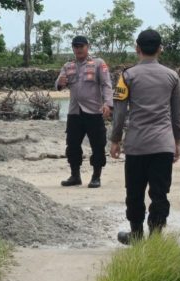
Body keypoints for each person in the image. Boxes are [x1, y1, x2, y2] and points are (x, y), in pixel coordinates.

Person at [110, 29, 180, 244]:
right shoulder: (172, 76)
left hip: (136, 145)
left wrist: (115, 140)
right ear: (160, 49)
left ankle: (136, 234)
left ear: (137, 48)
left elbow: (120, 113)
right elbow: (178, 115)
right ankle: (156, 238)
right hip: (163, 145)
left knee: (134, 192)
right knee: (159, 193)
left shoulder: (127, 76)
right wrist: (177, 141)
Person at [55, 35, 113, 188]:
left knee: (98, 145)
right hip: (74, 112)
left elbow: (106, 84)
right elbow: (59, 83)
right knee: (72, 145)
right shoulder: (68, 65)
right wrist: (59, 83)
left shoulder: (98, 64)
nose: (78, 49)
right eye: (76, 46)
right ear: (73, 48)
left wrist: (108, 104)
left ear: (88, 46)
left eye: (81, 46)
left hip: (94, 111)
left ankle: (96, 176)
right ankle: (75, 176)